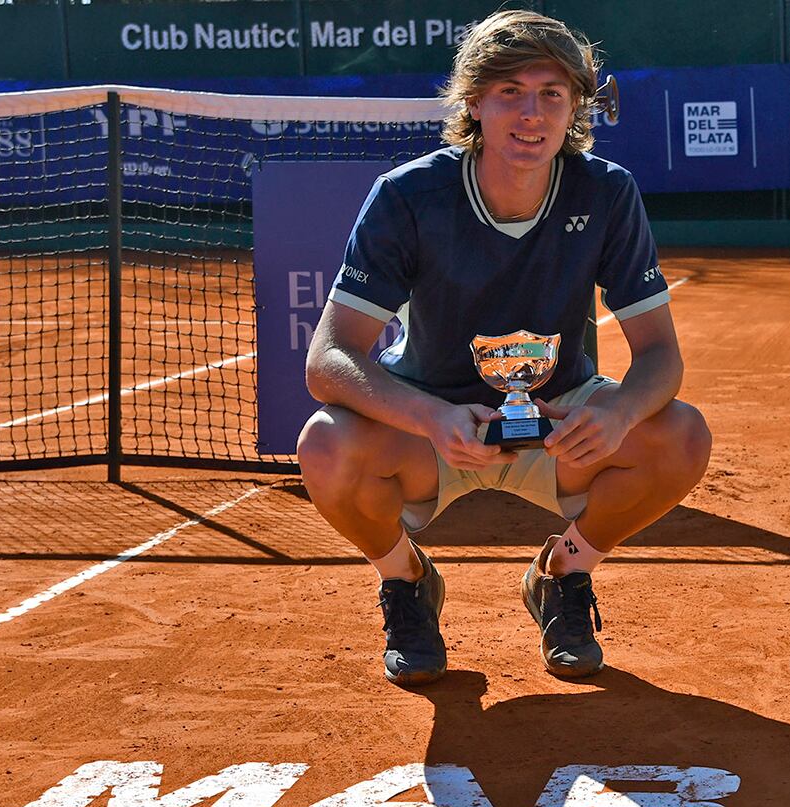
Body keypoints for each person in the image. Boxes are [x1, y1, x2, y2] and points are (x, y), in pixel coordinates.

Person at [297, 10, 710, 686]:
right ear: (474, 102)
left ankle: (563, 575)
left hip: (558, 427)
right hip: (434, 425)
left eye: (552, 93)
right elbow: (330, 359)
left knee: (683, 434)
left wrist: (620, 413)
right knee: (325, 444)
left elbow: (660, 356)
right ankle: (406, 583)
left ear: (576, 105)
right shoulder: (408, 196)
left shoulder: (606, 192)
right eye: (510, 92)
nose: (532, 113)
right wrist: (430, 418)